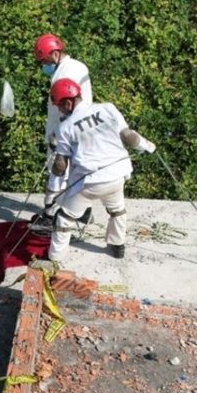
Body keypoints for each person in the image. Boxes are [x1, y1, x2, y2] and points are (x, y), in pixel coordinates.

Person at [46, 78, 155, 261]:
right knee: (117, 210)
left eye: (60, 106)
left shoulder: (65, 128)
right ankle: (117, 245)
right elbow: (129, 137)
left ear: (68, 102)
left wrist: (52, 195)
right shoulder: (108, 108)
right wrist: (149, 147)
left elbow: (60, 165)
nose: (59, 111)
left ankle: (55, 258)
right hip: (117, 176)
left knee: (64, 218)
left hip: (88, 183)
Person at [33, 33, 93, 225]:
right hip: (82, 127)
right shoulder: (78, 65)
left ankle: (50, 214)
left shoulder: (64, 74)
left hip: (65, 129)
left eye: (44, 60)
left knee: (57, 170)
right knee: (77, 170)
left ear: (54, 54)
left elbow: (66, 106)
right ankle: (83, 212)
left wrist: (58, 136)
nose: (43, 64)